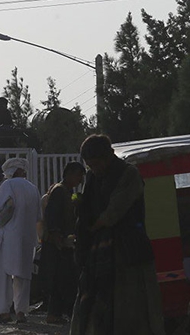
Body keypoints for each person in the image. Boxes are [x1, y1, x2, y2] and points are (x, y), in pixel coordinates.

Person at [70, 135, 165, 335]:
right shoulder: (93, 178)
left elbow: (112, 213)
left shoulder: (129, 174)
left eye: (96, 164)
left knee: (130, 312)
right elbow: (87, 209)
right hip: (99, 255)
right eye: (90, 166)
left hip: (128, 252)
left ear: (108, 156)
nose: (94, 169)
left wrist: (92, 226)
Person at [0, 157, 41, 324]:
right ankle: (21, 312)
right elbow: (38, 216)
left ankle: (4, 312)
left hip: (8, 236)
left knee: (3, 275)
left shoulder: (8, 185)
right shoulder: (33, 188)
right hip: (27, 238)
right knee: (23, 275)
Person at [41, 161, 85, 325]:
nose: (80, 180)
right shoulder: (59, 191)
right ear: (69, 174)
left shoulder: (68, 192)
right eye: (78, 175)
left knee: (64, 279)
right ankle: (54, 314)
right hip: (58, 243)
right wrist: (57, 236)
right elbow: (52, 215)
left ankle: (58, 313)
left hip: (64, 242)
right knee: (60, 279)